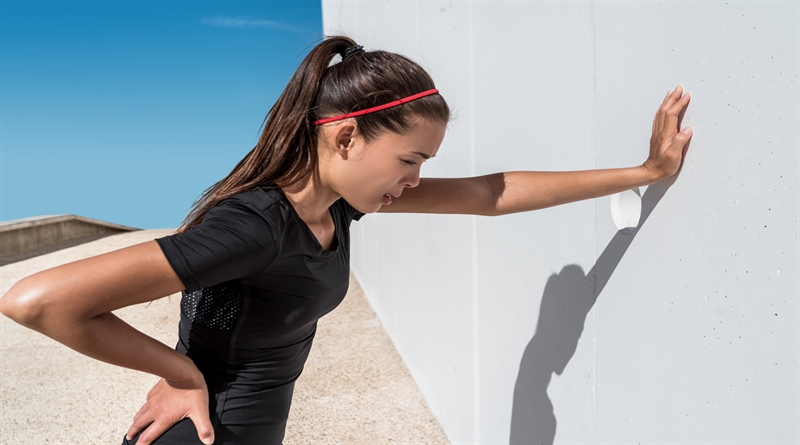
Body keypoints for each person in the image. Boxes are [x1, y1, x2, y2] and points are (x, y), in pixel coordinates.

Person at [0, 35, 692, 445]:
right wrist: (183, 373)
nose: (416, 180)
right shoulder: (257, 223)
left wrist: (645, 171)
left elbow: (490, 194)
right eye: (411, 160)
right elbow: (36, 300)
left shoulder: (336, 208)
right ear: (345, 136)